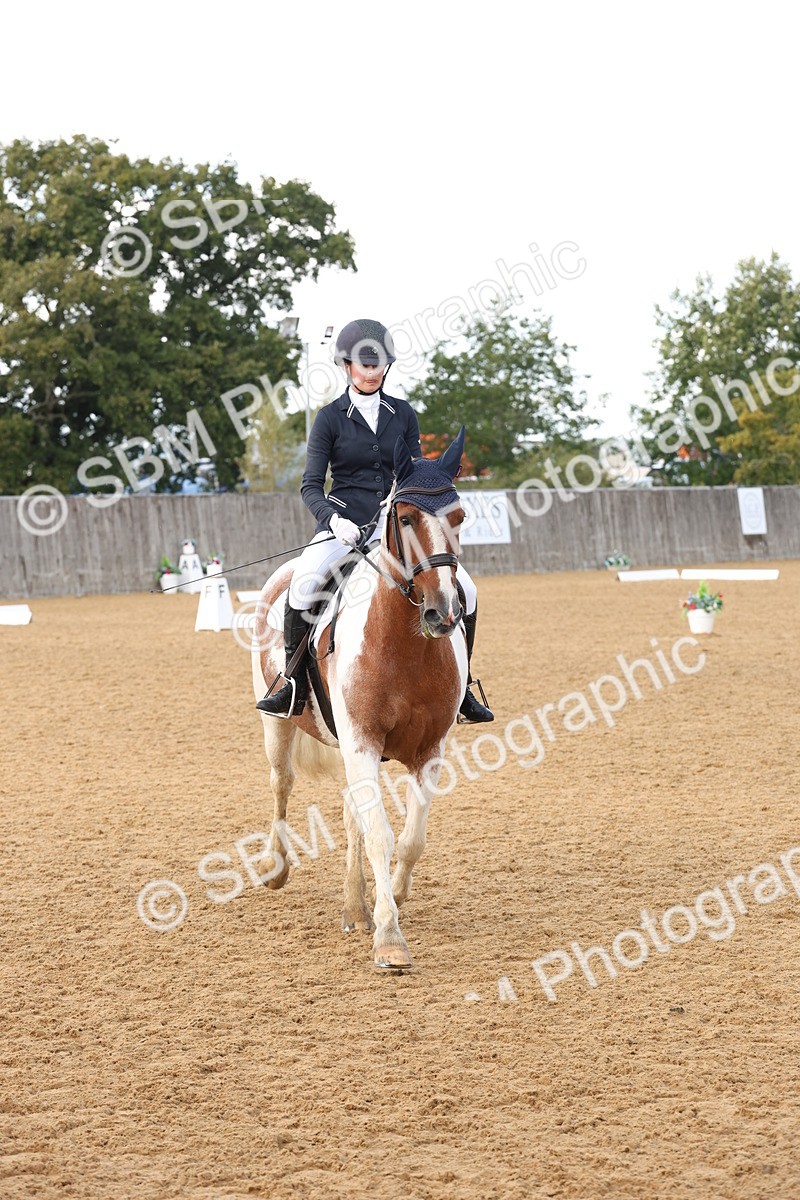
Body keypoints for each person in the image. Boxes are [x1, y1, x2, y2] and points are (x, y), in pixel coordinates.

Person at [256, 317, 493, 723]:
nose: (373, 372)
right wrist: (334, 520)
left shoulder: (402, 413)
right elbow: (310, 485)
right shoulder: (329, 418)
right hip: (343, 527)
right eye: (366, 365)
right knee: (304, 583)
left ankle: (464, 686)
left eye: (379, 365)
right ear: (347, 365)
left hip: (396, 528)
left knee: (465, 589)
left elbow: (414, 475)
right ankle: (292, 685)